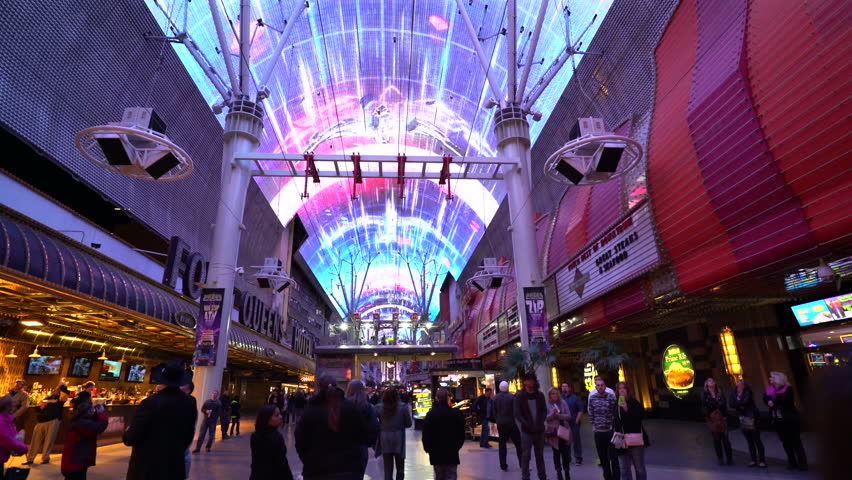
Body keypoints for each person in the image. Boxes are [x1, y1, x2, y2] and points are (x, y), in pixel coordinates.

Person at [124, 361, 197, 480]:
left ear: (162, 381)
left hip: (148, 468)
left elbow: (133, 436)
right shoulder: (190, 402)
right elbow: (189, 434)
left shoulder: (150, 402)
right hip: (174, 466)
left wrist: (127, 433)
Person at [295, 375, 367, 480]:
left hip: (316, 470)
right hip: (348, 470)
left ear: (318, 388)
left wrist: (309, 461)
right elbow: (362, 436)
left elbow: (300, 441)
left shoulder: (309, 411)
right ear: (336, 386)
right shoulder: (351, 408)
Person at [764, 371, 807, 471]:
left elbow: (787, 401)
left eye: (771, 377)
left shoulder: (788, 389)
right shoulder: (770, 389)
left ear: (777, 379)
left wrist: (773, 402)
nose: (770, 379)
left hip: (789, 419)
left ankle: (803, 463)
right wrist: (769, 401)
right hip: (778, 420)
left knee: (796, 442)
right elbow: (765, 398)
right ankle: (792, 462)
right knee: (785, 442)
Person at [422, 388, 466, 480]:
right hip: (451, 452)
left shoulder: (431, 414)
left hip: (436, 453)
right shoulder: (455, 413)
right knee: (451, 475)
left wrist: (428, 449)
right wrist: (457, 446)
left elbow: (426, 434)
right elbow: (461, 433)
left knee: (439, 476)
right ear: (447, 398)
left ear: (437, 398)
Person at [61, 401, 108, 480]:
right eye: (92, 409)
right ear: (87, 412)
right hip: (75, 459)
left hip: (77, 458)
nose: (94, 411)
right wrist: (101, 413)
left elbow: (94, 421)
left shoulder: (79, 420)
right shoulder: (82, 424)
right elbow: (100, 427)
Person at [514, 373, 548, 480]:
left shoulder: (539, 395)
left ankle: (542, 476)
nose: (530, 382)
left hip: (539, 430)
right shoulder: (520, 396)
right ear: (524, 382)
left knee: (540, 456)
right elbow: (517, 414)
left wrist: (540, 422)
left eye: (532, 380)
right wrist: (526, 424)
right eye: (528, 380)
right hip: (526, 431)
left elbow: (544, 410)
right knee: (526, 456)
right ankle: (525, 477)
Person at [25, 382, 68, 465]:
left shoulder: (61, 399)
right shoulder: (48, 397)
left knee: (49, 441)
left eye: (59, 388)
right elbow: (38, 407)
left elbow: (64, 396)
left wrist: (62, 386)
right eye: (57, 387)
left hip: (53, 421)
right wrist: (40, 407)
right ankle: (30, 458)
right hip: (41, 421)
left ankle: (45, 458)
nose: (57, 388)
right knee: (35, 440)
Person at [250, 404, 295, 480]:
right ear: (267, 419)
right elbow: (282, 462)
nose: (280, 417)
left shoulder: (255, 436)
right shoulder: (276, 437)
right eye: (276, 415)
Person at [613, 382, 647, 480]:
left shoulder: (634, 403)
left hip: (634, 440)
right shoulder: (616, 404)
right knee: (624, 469)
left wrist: (627, 409)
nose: (622, 390)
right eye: (619, 389)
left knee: (639, 468)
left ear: (628, 391)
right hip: (621, 440)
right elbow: (615, 421)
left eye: (624, 388)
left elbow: (639, 418)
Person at [345, 380, 379, 478]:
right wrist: (367, 442)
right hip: (361, 447)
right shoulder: (367, 407)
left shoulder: (343, 405)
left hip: (344, 447)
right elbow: (374, 428)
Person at [376, 387, 413, 480]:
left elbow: (374, 422)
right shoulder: (403, 407)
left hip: (384, 438)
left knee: (387, 468)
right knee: (400, 467)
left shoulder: (379, 407)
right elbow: (409, 423)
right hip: (399, 438)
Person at [729, 379, 766, 468]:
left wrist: (738, 403)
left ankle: (762, 460)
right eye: (738, 383)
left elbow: (746, 401)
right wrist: (740, 404)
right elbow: (731, 404)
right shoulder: (733, 393)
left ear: (744, 385)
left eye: (741, 383)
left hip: (751, 417)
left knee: (757, 439)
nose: (739, 385)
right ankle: (753, 460)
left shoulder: (748, 392)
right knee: (749, 440)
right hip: (742, 418)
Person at [588, 376, 619, 480]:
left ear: (605, 386)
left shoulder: (610, 396)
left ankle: (616, 478)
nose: (600, 387)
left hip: (610, 432)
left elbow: (615, 411)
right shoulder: (592, 397)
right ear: (596, 387)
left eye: (602, 385)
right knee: (603, 459)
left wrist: (613, 426)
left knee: (614, 458)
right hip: (599, 433)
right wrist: (593, 426)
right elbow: (590, 412)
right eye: (598, 385)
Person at [701, 377, 732, 466]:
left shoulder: (719, 392)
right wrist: (716, 403)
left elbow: (724, 403)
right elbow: (706, 403)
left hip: (722, 417)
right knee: (716, 439)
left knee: (725, 439)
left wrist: (725, 415)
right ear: (706, 384)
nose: (711, 382)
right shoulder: (704, 393)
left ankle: (729, 458)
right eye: (709, 381)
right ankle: (720, 458)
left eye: (712, 381)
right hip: (712, 418)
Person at [493, 380, 522, 471]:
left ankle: (503, 465)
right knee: (518, 444)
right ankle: (522, 463)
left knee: (502, 445)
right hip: (511, 423)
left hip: (501, 424)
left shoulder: (495, 398)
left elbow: (494, 411)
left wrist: (497, 419)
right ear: (507, 387)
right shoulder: (511, 397)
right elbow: (515, 411)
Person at [545, 387, 572, 480]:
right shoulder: (547, 404)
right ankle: (558, 472)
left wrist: (559, 415)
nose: (555, 396)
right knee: (556, 453)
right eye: (552, 394)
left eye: (556, 394)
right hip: (553, 433)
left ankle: (567, 471)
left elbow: (569, 416)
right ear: (550, 395)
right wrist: (553, 414)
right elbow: (546, 418)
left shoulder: (563, 402)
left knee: (565, 453)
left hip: (563, 431)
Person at [0, 395, 29, 479]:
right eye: (13, 404)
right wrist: (23, 448)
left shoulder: (8, 419)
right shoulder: (2, 421)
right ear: (7, 406)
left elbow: (12, 437)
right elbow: (7, 440)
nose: (15, 407)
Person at [561, 384, 584, 465]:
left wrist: (577, 421)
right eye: (562, 386)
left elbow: (580, 410)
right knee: (566, 441)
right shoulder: (560, 398)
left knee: (576, 441)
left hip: (574, 422)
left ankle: (578, 458)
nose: (564, 388)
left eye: (566, 386)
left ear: (569, 388)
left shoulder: (575, 398)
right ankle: (567, 458)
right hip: (564, 423)